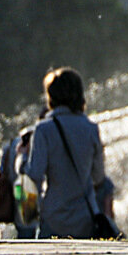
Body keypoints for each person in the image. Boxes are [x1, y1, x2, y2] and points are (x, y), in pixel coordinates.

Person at [25, 67, 107, 239]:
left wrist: (30, 217)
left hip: (53, 216)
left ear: (51, 96)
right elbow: (98, 177)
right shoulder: (91, 129)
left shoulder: (43, 130)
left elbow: (34, 176)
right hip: (85, 217)